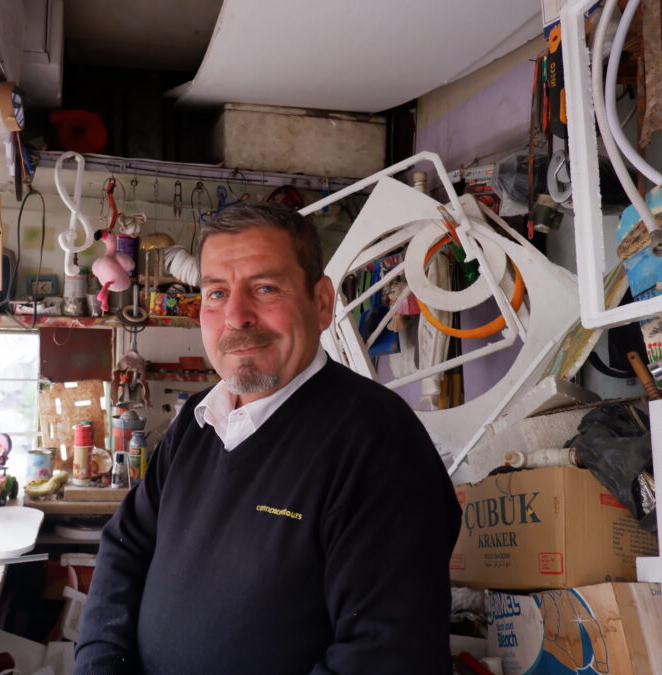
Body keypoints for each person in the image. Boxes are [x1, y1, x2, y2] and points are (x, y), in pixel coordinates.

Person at [75, 202, 461, 674]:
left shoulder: (377, 442)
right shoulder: (198, 420)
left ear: (321, 303)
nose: (236, 316)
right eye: (216, 292)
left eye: (265, 288)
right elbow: (126, 548)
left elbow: (384, 655)